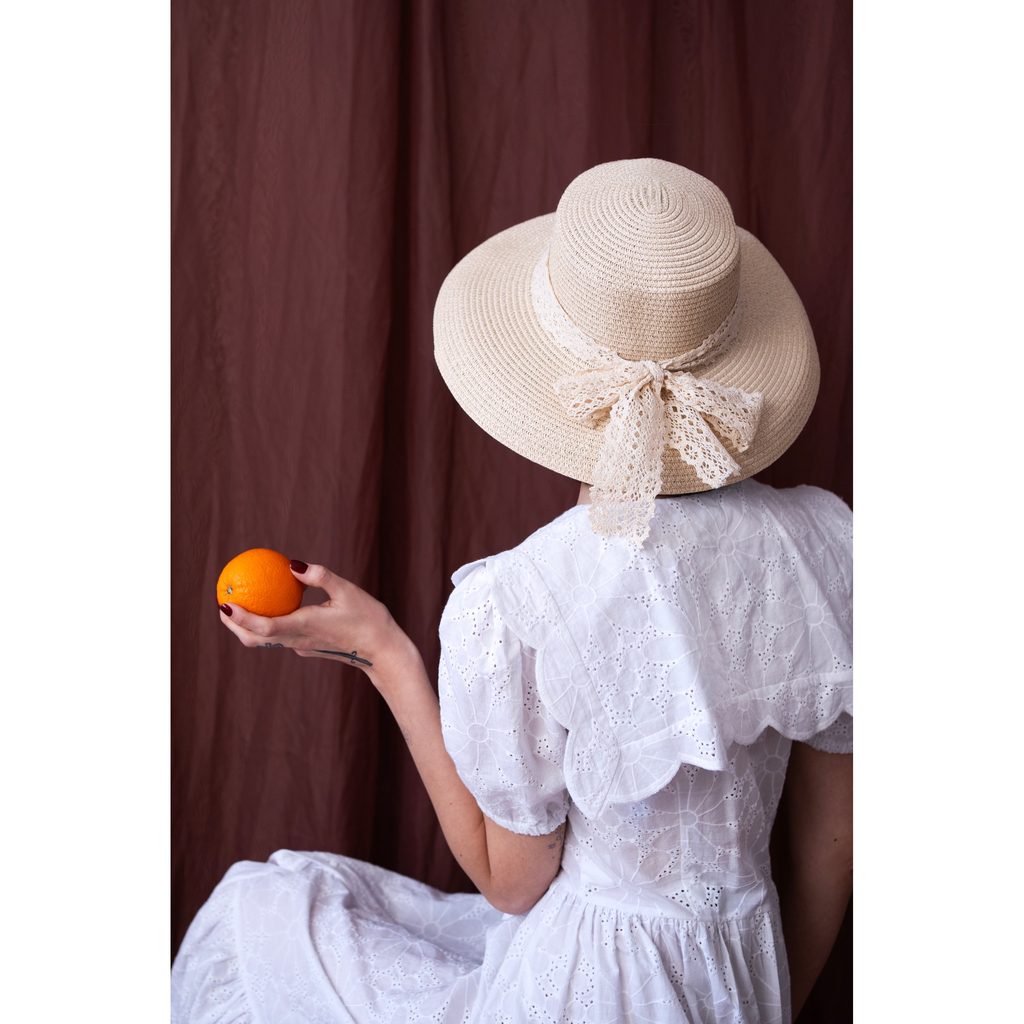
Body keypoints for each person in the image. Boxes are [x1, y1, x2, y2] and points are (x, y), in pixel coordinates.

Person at [171, 158, 852, 1023]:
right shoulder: (828, 547)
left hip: (585, 991)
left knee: (263, 916)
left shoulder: (522, 596)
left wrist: (384, 651)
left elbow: (511, 883)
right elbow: (832, 849)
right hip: (750, 978)